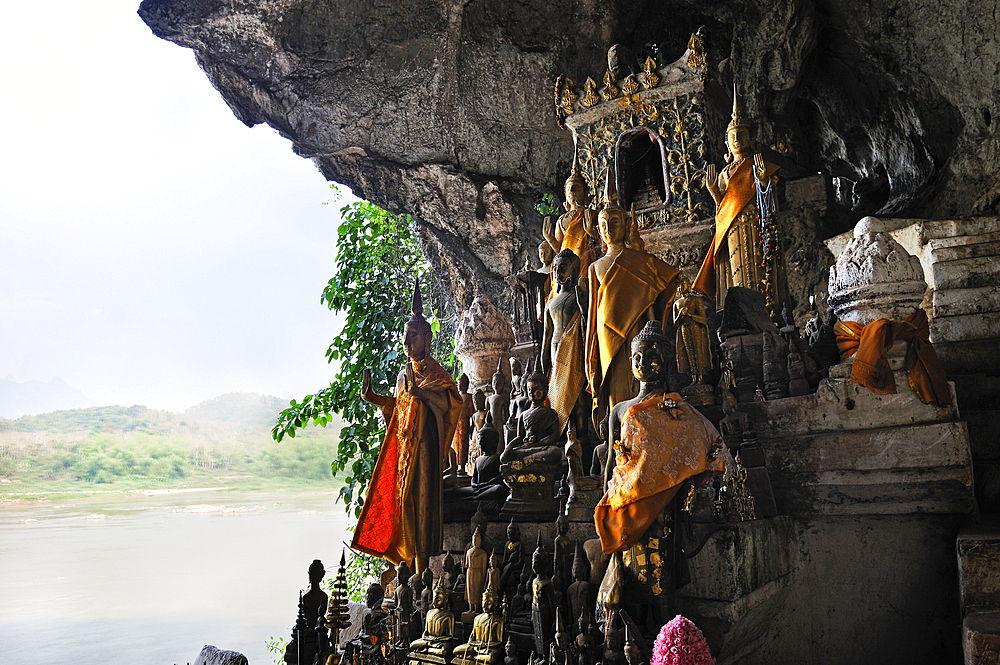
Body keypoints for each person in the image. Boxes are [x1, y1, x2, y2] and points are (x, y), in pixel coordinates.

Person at [352, 281, 464, 574]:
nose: (407, 343)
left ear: (427, 338)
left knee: (423, 507)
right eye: (404, 337)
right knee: (405, 507)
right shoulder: (404, 376)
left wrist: (422, 394)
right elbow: (398, 409)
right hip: (405, 450)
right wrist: (376, 399)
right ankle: (407, 567)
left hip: (425, 449)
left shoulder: (438, 374)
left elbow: (450, 407)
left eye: (412, 336)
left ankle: (423, 571)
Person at [585, 174, 682, 432]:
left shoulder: (639, 260)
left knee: (642, 375)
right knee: (617, 386)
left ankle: (647, 433)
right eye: (603, 224)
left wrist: (655, 329)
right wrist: (590, 349)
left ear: (626, 224)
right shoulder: (595, 266)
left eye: (614, 222)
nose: (608, 229)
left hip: (638, 329)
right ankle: (621, 442)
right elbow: (593, 311)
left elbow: (654, 293)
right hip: (607, 335)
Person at [693, 84, 786, 316]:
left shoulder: (758, 165)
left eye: (741, 135)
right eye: (732, 136)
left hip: (755, 224)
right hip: (732, 228)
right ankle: (742, 315)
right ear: (726, 143)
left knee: (758, 269)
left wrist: (764, 182)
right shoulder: (724, 173)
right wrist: (715, 192)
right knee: (737, 271)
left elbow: (772, 199)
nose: (736, 139)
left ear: (750, 138)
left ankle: (765, 312)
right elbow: (722, 210)